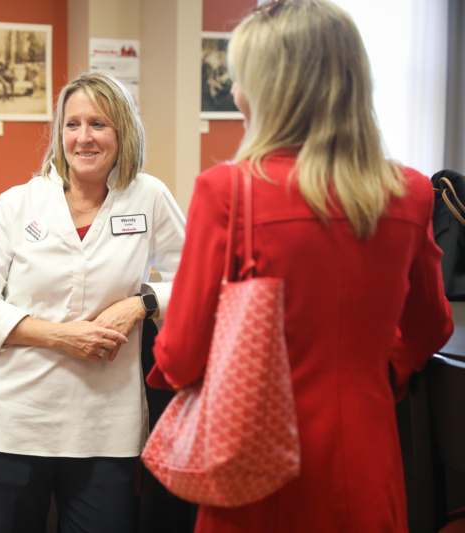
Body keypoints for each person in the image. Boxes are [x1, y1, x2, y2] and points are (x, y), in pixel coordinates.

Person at [148, 1, 453, 532]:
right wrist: (382, 367)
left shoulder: (229, 192)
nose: (236, 92)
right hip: (366, 457)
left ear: (268, 91)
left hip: (253, 466)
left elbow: (179, 355)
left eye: (242, 78)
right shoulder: (408, 194)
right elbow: (431, 325)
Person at [0, 71, 186, 533]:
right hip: (12, 423)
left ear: (123, 132)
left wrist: (141, 303)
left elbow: (195, 278)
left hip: (104, 429)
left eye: (98, 124)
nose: (84, 137)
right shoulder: (18, 203)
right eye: (72, 124)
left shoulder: (148, 197)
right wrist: (62, 337)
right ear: (59, 134)